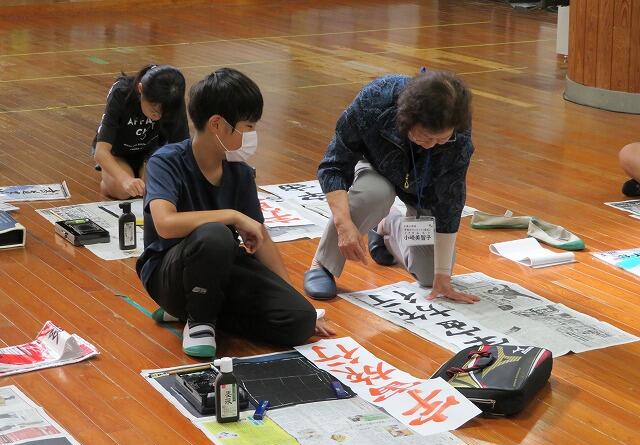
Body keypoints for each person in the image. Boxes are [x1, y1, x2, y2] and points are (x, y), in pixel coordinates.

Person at [136, 68, 334, 358]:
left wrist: (289, 295)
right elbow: (165, 224)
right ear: (217, 124)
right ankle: (200, 321)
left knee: (299, 320)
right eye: (248, 126)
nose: (252, 135)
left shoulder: (239, 172)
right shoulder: (166, 162)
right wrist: (232, 215)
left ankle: (201, 311)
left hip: (218, 272)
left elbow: (260, 237)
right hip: (169, 275)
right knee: (215, 235)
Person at [303, 70, 481, 304]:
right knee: (375, 195)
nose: (431, 146)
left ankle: (387, 225)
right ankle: (322, 264)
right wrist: (343, 224)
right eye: (426, 137)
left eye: (440, 140)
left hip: (423, 189)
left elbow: (451, 200)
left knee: (430, 276)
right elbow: (333, 166)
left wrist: (442, 276)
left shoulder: (458, 134)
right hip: (378, 168)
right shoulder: (375, 101)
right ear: (407, 118)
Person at [92, 64, 189, 199]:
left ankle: (139, 172)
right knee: (123, 190)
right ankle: (107, 184)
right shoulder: (121, 93)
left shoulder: (173, 100)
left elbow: (182, 149)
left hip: (152, 152)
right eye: (154, 109)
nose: (158, 116)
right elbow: (101, 152)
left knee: (152, 190)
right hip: (117, 152)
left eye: (164, 112)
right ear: (140, 89)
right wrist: (125, 180)